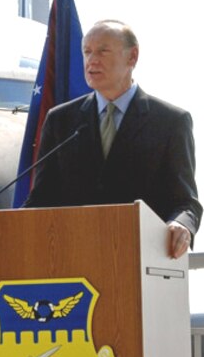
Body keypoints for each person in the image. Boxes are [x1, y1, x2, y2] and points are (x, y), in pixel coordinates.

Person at [24, 19, 201, 258]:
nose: (92, 60)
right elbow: (41, 200)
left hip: (140, 260)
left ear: (132, 57)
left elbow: (185, 201)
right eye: (87, 52)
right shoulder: (60, 120)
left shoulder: (170, 121)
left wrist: (182, 226)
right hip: (71, 259)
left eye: (102, 51)